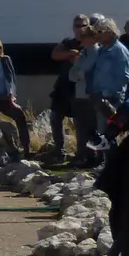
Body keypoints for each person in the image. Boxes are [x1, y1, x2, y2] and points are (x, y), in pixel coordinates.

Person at [86, 19, 129, 154]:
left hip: (112, 99)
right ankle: (103, 162)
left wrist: (106, 92)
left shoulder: (119, 51)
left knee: (110, 133)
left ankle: (112, 164)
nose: (97, 36)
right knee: (101, 132)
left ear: (110, 32)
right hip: (99, 98)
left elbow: (124, 77)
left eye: (99, 32)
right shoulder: (100, 50)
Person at [45, 15, 86, 160]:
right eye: (77, 25)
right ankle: (59, 151)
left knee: (79, 122)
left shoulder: (91, 43)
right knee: (55, 117)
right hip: (63, 86)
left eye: (83, 25)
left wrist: (75, 57)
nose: (80, 28)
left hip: (79, 87)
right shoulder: (69, 42)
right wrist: (70, 53)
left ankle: (81, 154)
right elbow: (55, 54)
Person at [69, 25, 99, 168]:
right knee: (81, 128)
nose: (81, 40)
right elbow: (72, 74)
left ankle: (93, 157)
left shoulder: (97, 52)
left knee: (92, 127)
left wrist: (80, 73)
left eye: (84, 37)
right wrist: (79, 73)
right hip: (79, 94)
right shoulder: (83, 53)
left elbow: (88, 71)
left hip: (90, 95)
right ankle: (83, 156)